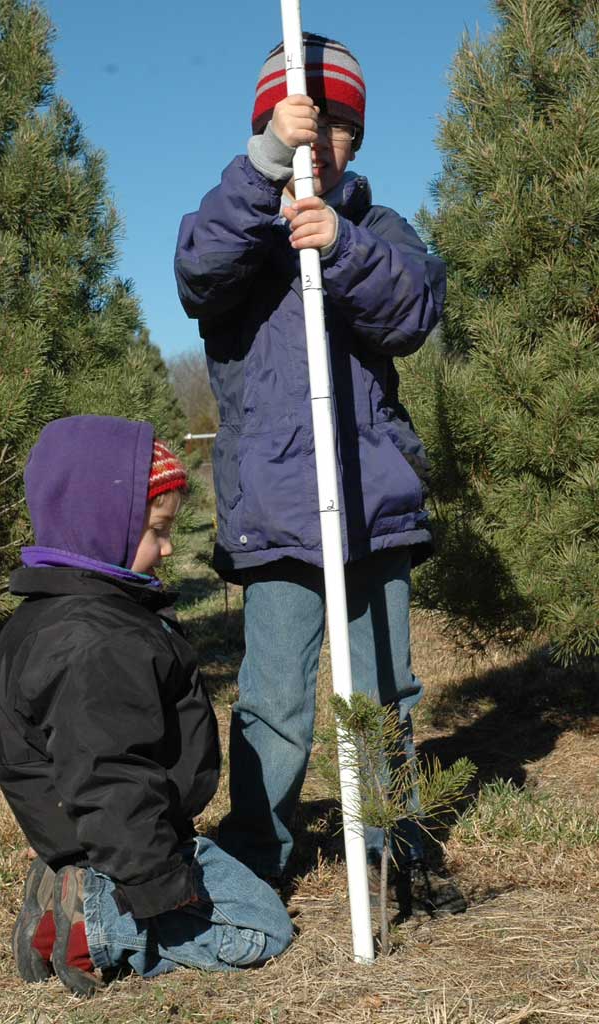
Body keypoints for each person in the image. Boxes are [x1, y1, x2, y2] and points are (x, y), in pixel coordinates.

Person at [174, 34, 465, 915]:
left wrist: (338, 245)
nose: (318, 138)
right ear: (270, 122)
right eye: (302, 120)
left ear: (357, 140)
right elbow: (194, 269)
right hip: (278, 516)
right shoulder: (239, 241)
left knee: (383, 692)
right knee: (272, 704)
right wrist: (263, 168)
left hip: (371, 508)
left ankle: (393, 843)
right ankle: (258, 854)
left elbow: (413, 306)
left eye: (338, 125)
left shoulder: (379, 229)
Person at [0, 415, 294, 997]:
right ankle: (92, 924)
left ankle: (71, 881)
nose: (169, 546)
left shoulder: (63, 614)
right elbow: (109, 776)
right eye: (157, 530)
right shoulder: (98, 641)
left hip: (112, 833)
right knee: (260, 926)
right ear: (103, 525)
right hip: (128, 845)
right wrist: (157, 885)